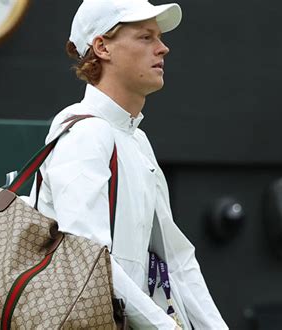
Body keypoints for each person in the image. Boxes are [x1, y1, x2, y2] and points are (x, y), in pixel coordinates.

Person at [28, 0, 229, 329]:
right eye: (145, 37)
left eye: (159, 37)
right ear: (103, 47)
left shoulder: (137, 141)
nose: (163, 48)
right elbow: (90, 259)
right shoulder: (86, 132)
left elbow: (176, 260)